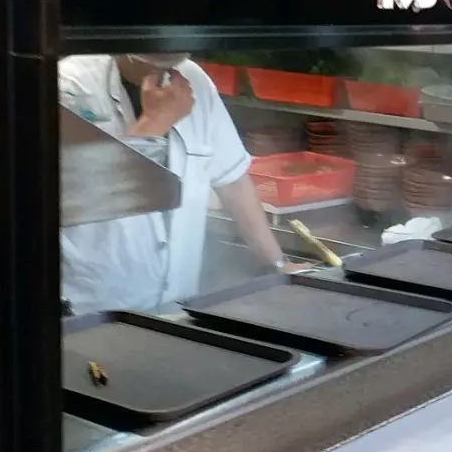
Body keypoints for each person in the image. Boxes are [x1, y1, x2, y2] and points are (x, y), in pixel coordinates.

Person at [60, 53, 305, 314]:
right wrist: (155, 122)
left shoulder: (195, 79)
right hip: (96, 307)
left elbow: (233, 181)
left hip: (179, 304)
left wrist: (278, 264)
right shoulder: (68, 85)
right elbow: (77, 198)